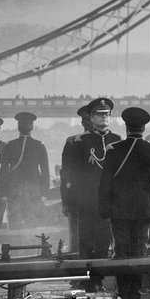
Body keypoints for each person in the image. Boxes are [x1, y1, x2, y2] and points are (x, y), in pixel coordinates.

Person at [98, 106, 150, 299]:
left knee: (121, 252)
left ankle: (124, 294)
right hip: (144, 211)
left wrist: (105, 211)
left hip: (119, 211)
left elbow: (105, 184)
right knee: (139, 252)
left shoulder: (113, 150)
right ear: (144, 128)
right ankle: (135, 297)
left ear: (126, 127)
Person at [67, 97, 120, 289]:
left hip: (108, 202)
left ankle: (97, 280)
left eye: (107, 114)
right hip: (87, 200)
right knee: (86, 241)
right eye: (99, 114)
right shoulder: (79, 142)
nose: (104, 118)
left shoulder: (117, 141)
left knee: (104, 242)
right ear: (91, 117)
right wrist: (69, 202)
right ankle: (86, 279)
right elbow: (68, 176)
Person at [0, 111, 51, 228]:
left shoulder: (9, 145)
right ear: (32, 127)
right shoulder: (39, 145)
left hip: (14, 191)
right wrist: (45, 192)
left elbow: (3, 171)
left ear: (18, 127)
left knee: (15, 223)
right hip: (34, 190)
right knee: (33, 223)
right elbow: (45, 171)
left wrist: (3, 191)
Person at [59, 104, 94, 251]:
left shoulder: (109, 140)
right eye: (85, 120)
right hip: (78, 200)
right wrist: (66, 201)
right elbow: (66, 175)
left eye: (89, 119)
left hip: (100, 200)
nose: (87, 123)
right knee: (77, 243)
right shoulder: (72, 142)